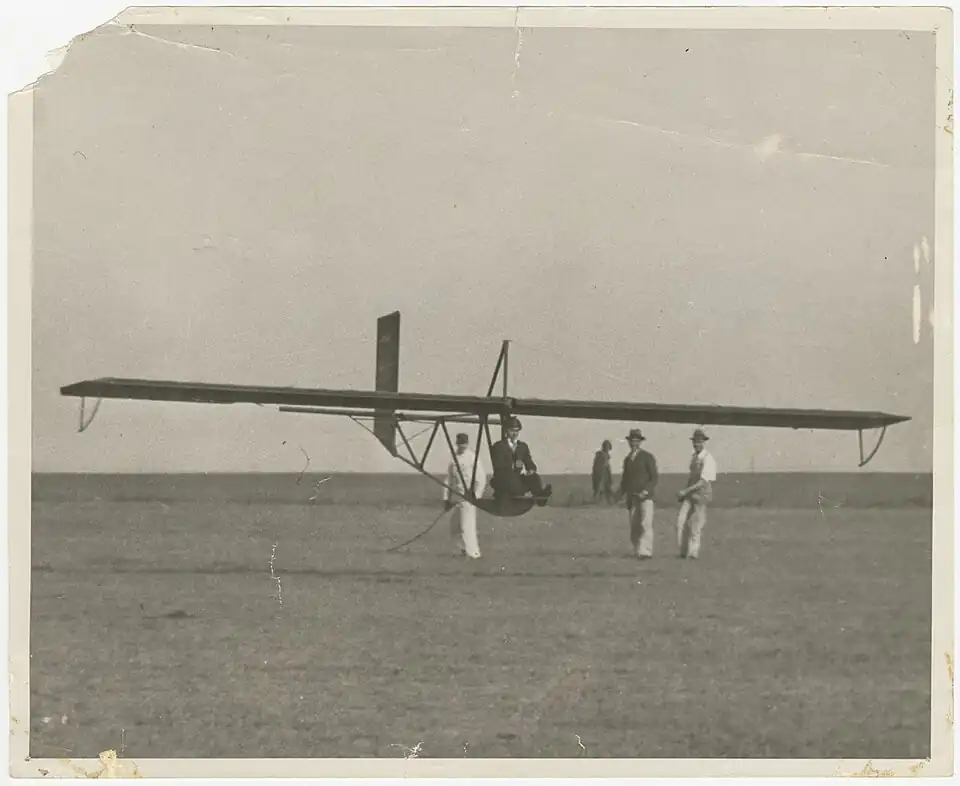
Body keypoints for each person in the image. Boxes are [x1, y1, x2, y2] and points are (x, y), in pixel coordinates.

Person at [489, 417, 552, 507]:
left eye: (517, 431)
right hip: (504, 480)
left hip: (517, 480)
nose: (514, 433)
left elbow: (529, 462)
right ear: (506, 430)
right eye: (512, 430)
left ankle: (541, 498)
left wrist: (531, 470)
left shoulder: (522, 446)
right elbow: (498, 466)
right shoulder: (499, 446)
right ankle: (506, 496)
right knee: (510, 479)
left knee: (534, 477)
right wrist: (513, 465)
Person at [443, 433, 487, 559]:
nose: (462, 446)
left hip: (468, 497)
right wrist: (446, 499)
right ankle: (461, 550)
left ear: (467, 444)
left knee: (467, 526)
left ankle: (473, 554)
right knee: (454, 527)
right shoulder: (454, 459)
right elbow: (449, 479)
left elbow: (481, 478)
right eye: (460, 443)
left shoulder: (472, 458)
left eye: (464, 443)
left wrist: (476, 496)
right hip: (456, 497)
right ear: (457, 443)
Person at [676, 429, 718, 559]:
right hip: (690, 494)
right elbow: (692, 477)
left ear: (704, 442)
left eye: (699, 442)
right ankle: (684, 552)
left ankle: (693, 553)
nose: (696, 444)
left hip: (701, 495)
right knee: (681, 522)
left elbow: (703, 482)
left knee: (695, 525)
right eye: (695, 442)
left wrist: (686, 491)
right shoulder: (694, 457)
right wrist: (685, 492)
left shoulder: (708, 458)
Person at [618, 428, 659, 559]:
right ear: (628, 442)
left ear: (640, 442)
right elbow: (625, 480)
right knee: (634, 526)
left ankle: (646, 552)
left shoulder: (647, 457)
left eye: (636, 440)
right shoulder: (627, 460)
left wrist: (645, 491)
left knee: (645, 524)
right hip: (633, 498)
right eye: (632, 440)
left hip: (646, 497)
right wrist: (618, 494)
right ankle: (638, 550)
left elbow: (654, 478)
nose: (633, 443)